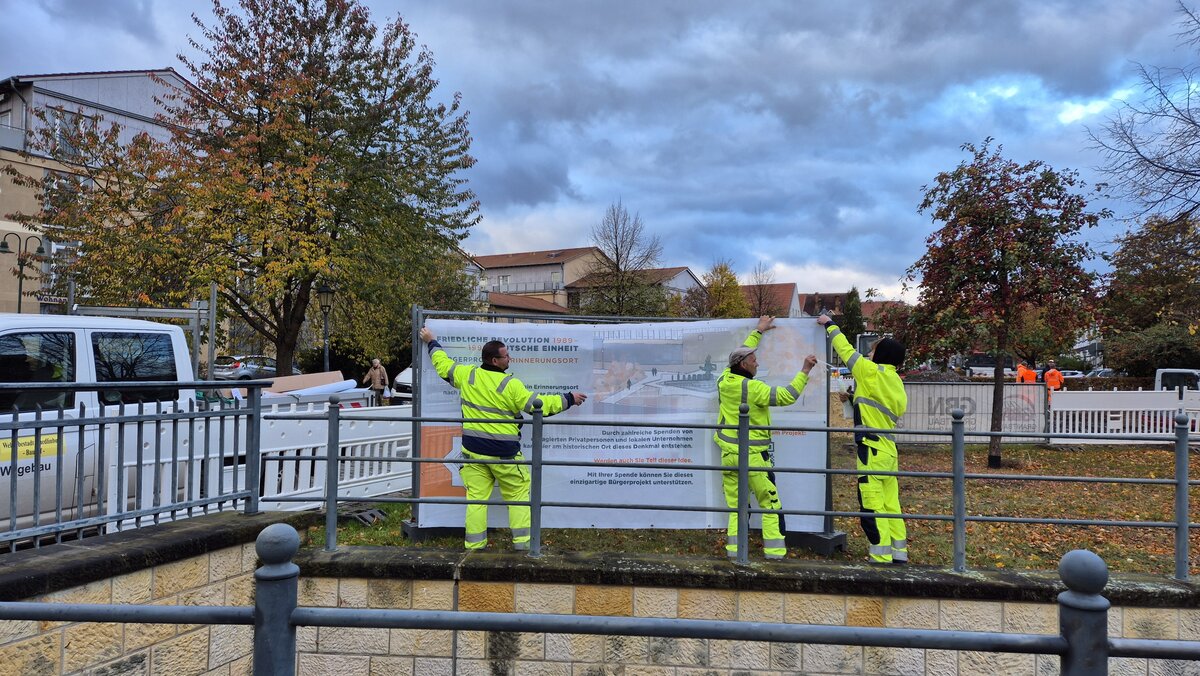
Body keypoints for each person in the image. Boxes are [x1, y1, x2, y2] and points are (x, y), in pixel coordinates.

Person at [419, 327, 587, 551]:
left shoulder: (467, 375)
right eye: (506, 356)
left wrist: (431, 341)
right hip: (504, 456)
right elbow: (540, 406)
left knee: (476, 500)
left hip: (473, 453)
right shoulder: (510, 385)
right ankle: (523, 546)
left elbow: (442, 365)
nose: (510, 358)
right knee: (518, 496)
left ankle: (474, 547)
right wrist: (569, 398)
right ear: (495, 361)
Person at [713, 315, 818, 560]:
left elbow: (740, 352)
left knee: (736, 506)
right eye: (754, 360)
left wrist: (758, 331)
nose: (757, 363)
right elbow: (787, 396)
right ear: (744, 365)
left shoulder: (724, 379)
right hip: (753, 457)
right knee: (769, 503)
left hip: (729, 455)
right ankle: (775, 553)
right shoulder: (754, 388)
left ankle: (734, 552)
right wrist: (804, 370)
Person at [817, 313, 909, 565]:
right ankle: (899, 553)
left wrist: (830, 325)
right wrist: (852, 398)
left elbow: (845, 350)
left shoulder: (870, 372)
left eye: (872, 351)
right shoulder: (895, 381)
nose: (868, 354)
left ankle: (880, 556)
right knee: (891, 504)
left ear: (882, 355)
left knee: (872, 505)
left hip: (871, 450)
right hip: (888, 451)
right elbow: (875, 407)